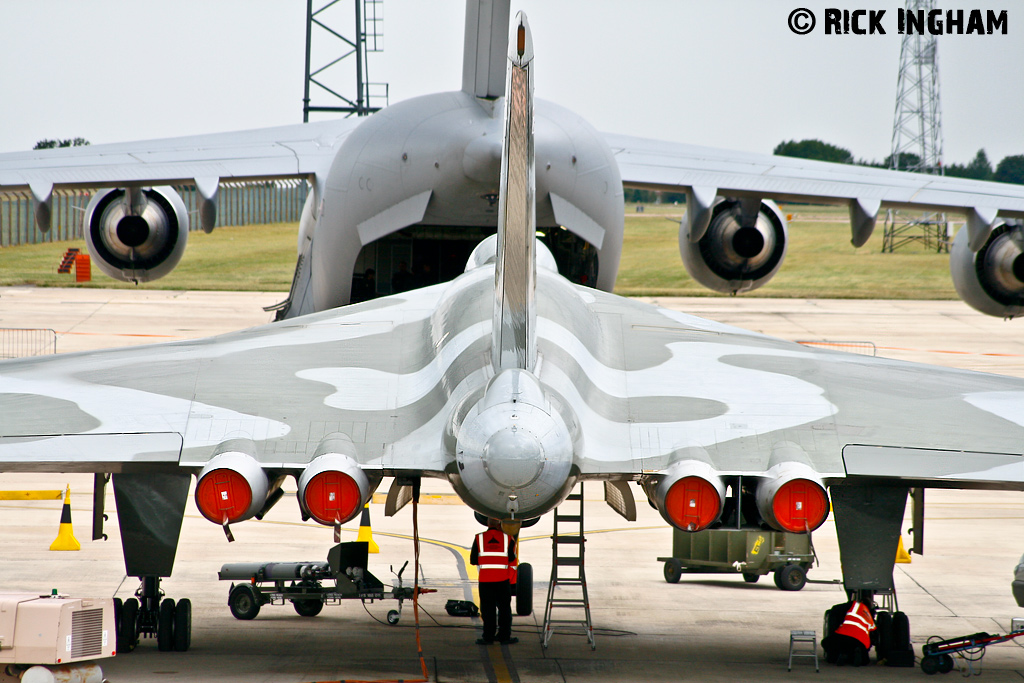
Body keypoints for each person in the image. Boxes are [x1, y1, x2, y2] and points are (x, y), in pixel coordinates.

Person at [470, 518, 517, 645]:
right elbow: (511, 558)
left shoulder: (479, 538)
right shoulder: (508, 538)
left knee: (488, 610)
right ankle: (504, 636)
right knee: (504, 609)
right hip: (502, 580)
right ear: (500, 525)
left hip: (486, 581)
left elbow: (473, 560)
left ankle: (488, 637)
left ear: (487, 524)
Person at [822, 599, 876, 666]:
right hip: (861, 642)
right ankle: (855, 653)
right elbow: (873, 635)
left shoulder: (854, 605)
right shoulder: (870, 617)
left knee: (826, 643)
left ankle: (843, 654)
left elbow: (835, 609)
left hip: (844, 636)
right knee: (865, 661)